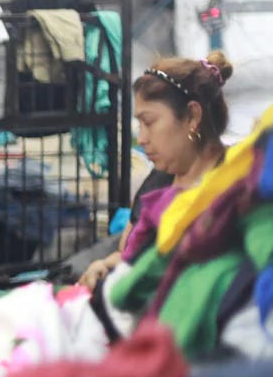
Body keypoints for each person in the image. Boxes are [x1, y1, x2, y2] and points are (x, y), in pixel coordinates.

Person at [79, 50, 233, 290]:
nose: (141, 139)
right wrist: (107, 266)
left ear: (192, 116)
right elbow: (127, 252)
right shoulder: (161, 178)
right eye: (139, 126)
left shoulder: (234, 188)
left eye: (149, 123)